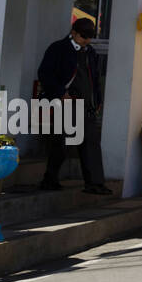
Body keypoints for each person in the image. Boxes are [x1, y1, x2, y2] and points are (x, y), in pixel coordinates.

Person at [37, 18, 109, 194]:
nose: (87, 40)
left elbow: (95, 80)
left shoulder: (90, 52)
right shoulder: (58, 48)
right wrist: (61, 93)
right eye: (83, 36)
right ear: (74, 32)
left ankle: (95, 183)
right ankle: (50, 179)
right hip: (66, 103)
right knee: (61, 144)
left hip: (87, 105)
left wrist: (97, 100)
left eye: (89, 37)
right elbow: (45, 73)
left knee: (91, 143)